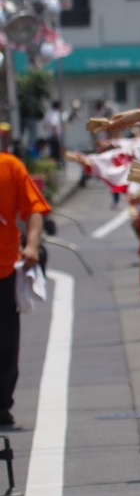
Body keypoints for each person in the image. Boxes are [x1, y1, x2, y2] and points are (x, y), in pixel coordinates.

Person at [0, 148, 51, 427]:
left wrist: (31, 245)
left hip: (4, 266)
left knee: (6, 340)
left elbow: (34, 209)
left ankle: (1, 404)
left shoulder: (9, 166)